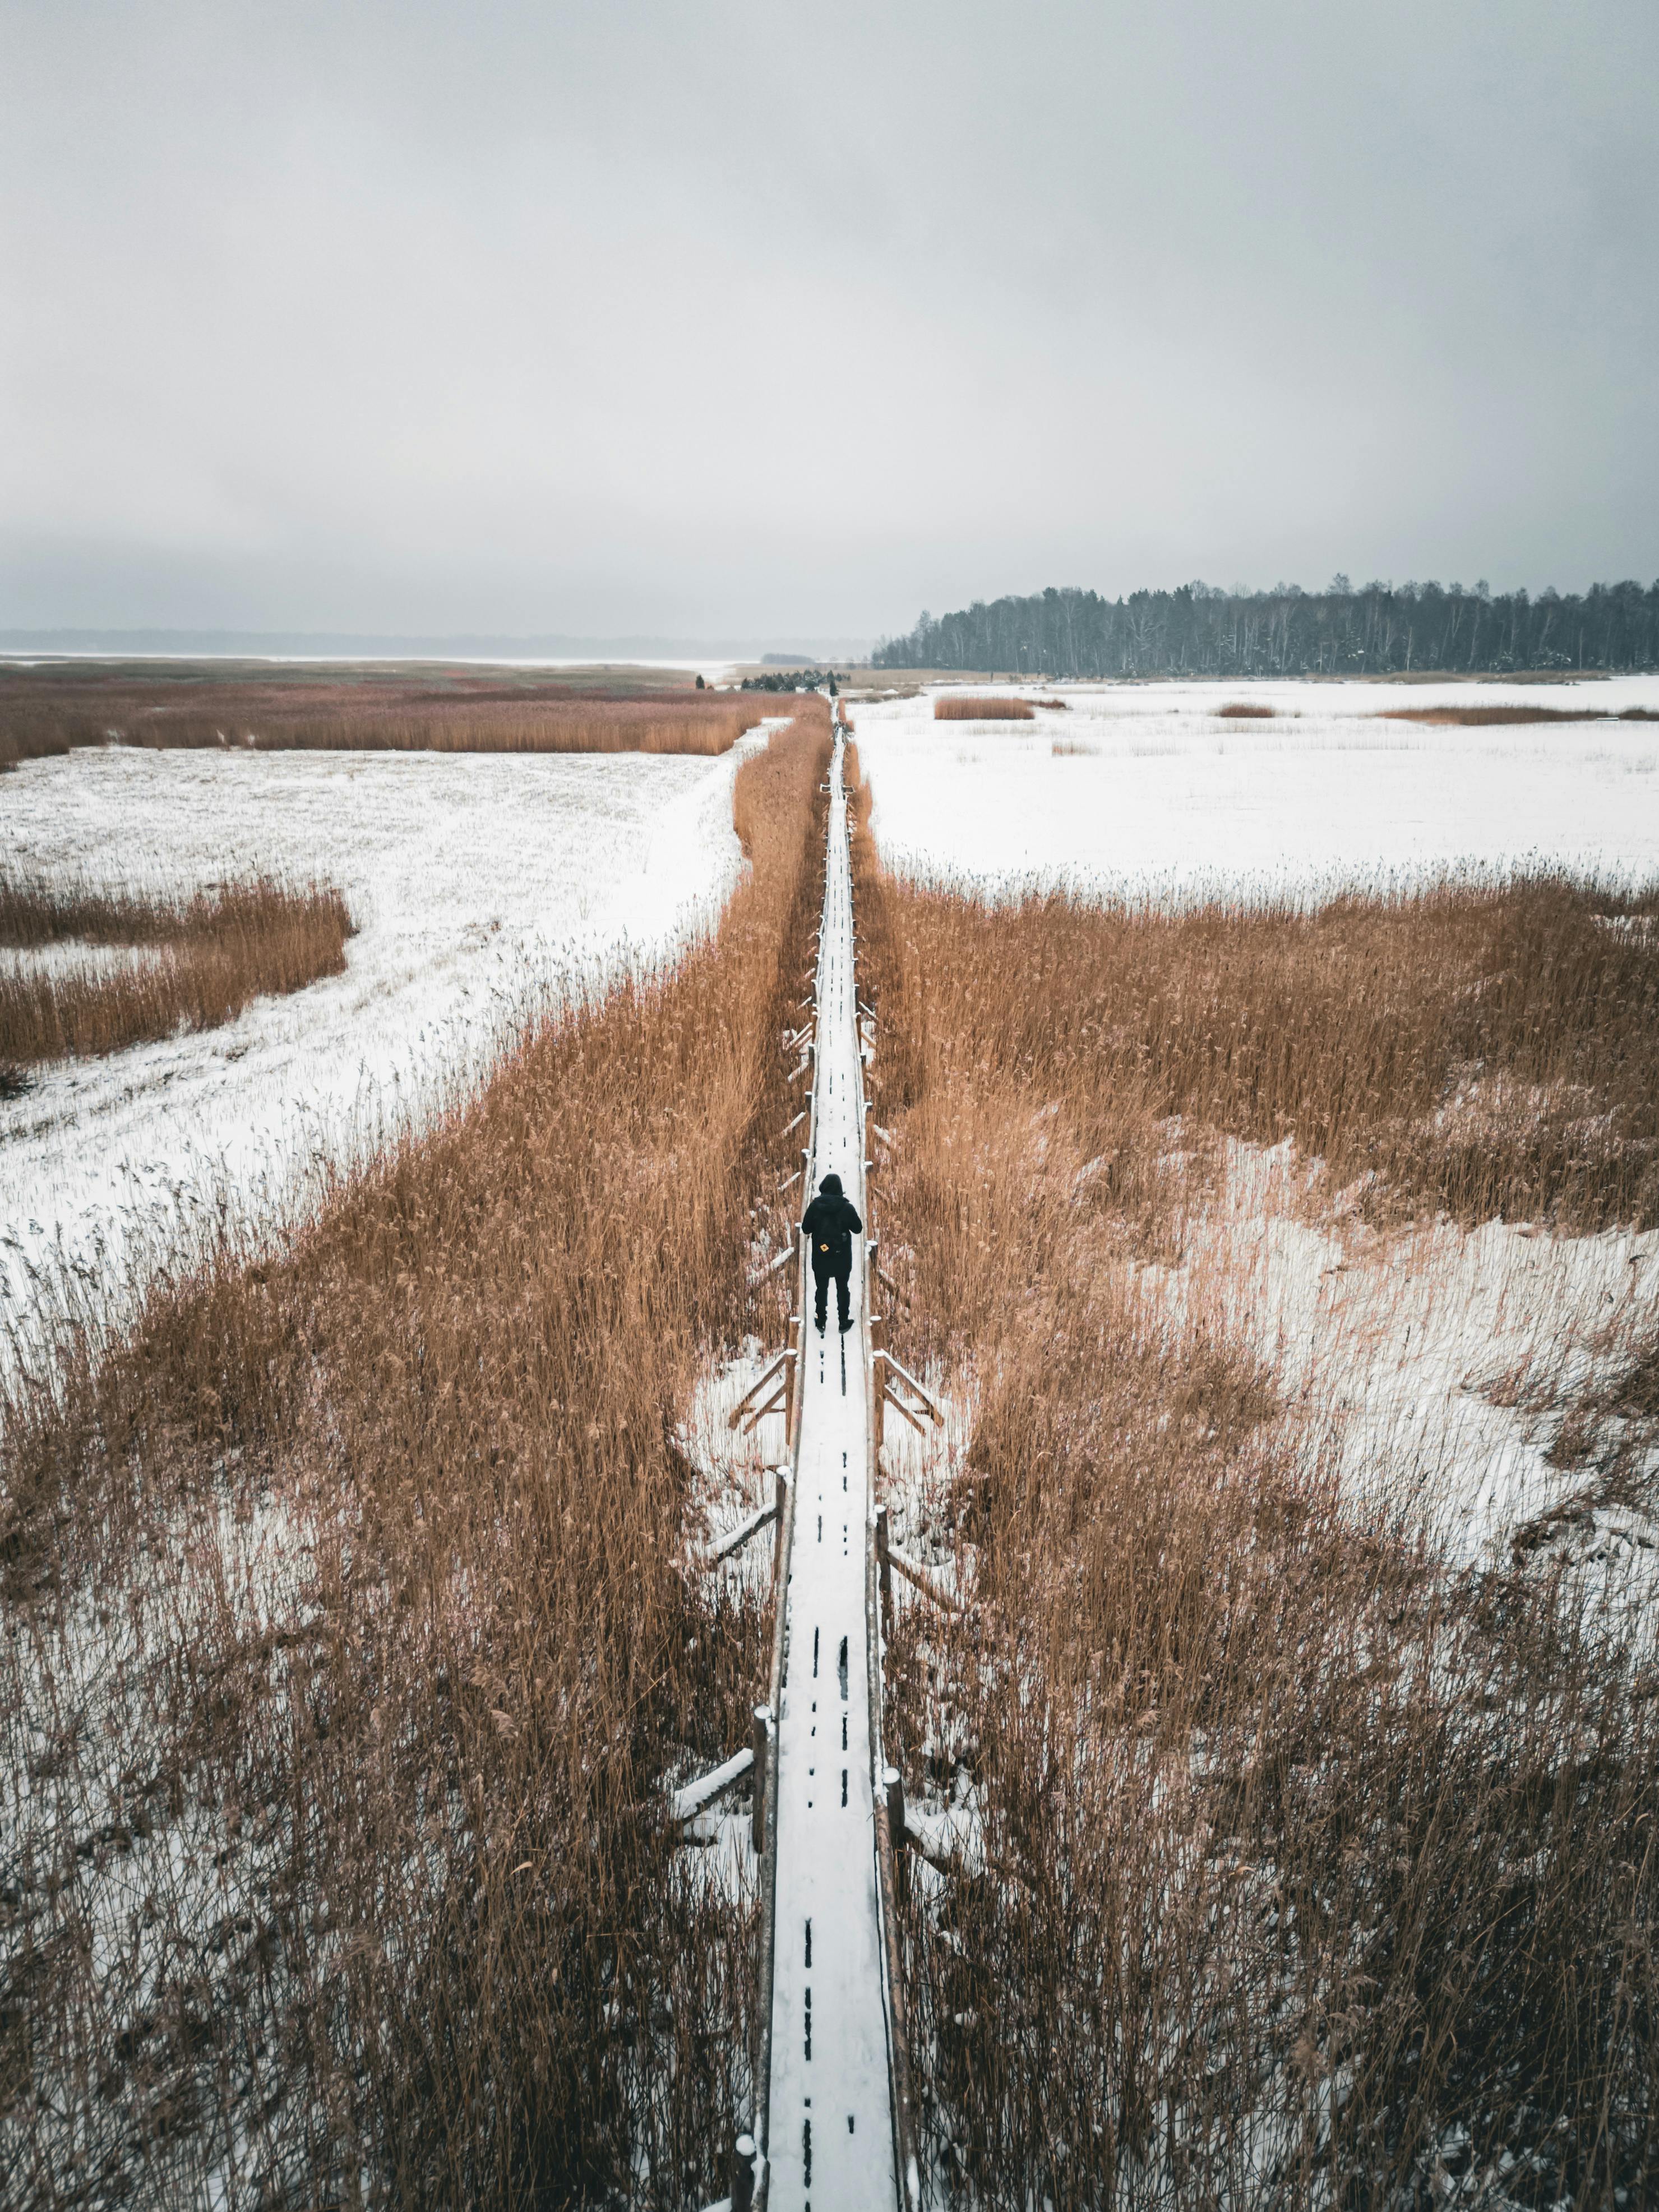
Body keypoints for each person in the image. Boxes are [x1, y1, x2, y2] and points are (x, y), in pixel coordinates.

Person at [801, 1170, 862, 1334]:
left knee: (821, 1288)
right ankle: (843, 1322)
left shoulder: (815, 1207)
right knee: (843, 1288)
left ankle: (821, 1320)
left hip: (821, 1256)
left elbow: (806, 1229)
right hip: (841, 1257)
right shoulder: (846, 1207)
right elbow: (858, 1229)